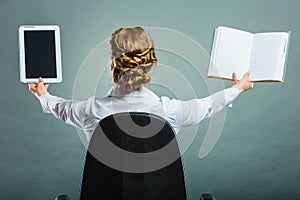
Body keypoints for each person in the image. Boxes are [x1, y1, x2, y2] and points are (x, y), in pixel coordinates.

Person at [29, 27, 253, 141]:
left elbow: (58, 107)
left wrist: (42, 95)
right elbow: (208, 105)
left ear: (112, 62)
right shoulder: (169, 112)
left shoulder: (89, 110)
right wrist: (237, 89)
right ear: (150, 63)